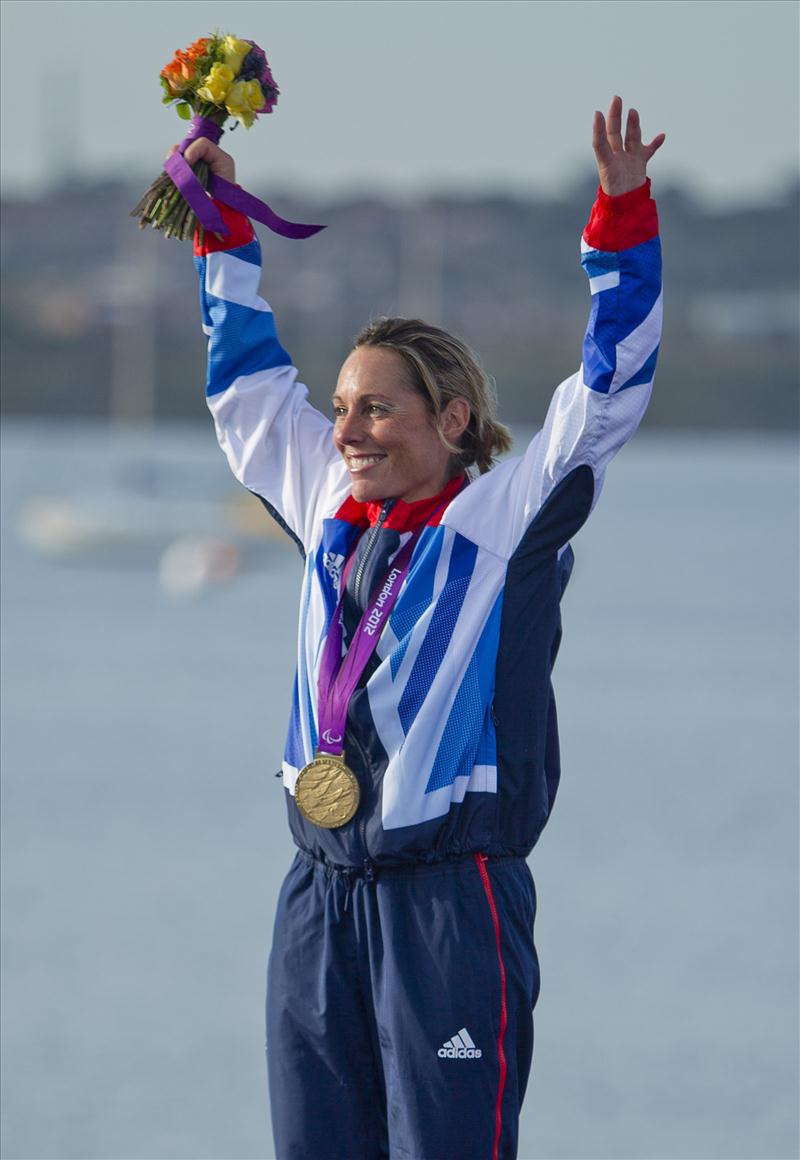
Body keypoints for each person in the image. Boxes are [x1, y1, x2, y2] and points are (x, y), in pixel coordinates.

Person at [180, 95, 664, 1160]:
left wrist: (620, 223)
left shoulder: (499, 520)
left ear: (449, 419)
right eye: (342, 406)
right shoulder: (322, 499)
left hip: (449, 905)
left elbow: (608, 390)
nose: (344, 428)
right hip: (317, 897)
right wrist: (220, 227)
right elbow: (246, 385)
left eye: (375, 408)